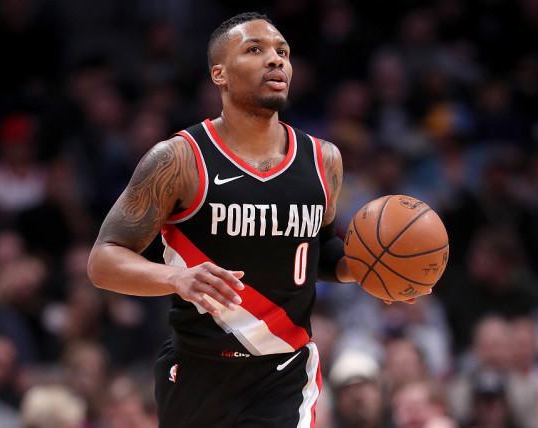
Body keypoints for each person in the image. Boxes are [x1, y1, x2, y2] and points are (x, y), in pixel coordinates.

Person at [87, 11, 425, 427]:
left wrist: (372, 267)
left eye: (283, 51)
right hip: (198, 368)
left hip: (285, 372)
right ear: (219, 74)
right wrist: (175, 278)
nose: (276, 59)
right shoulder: (179, 160)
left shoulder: (324, 160)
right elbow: (103, 260)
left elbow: (317, 252)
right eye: (255, 49)